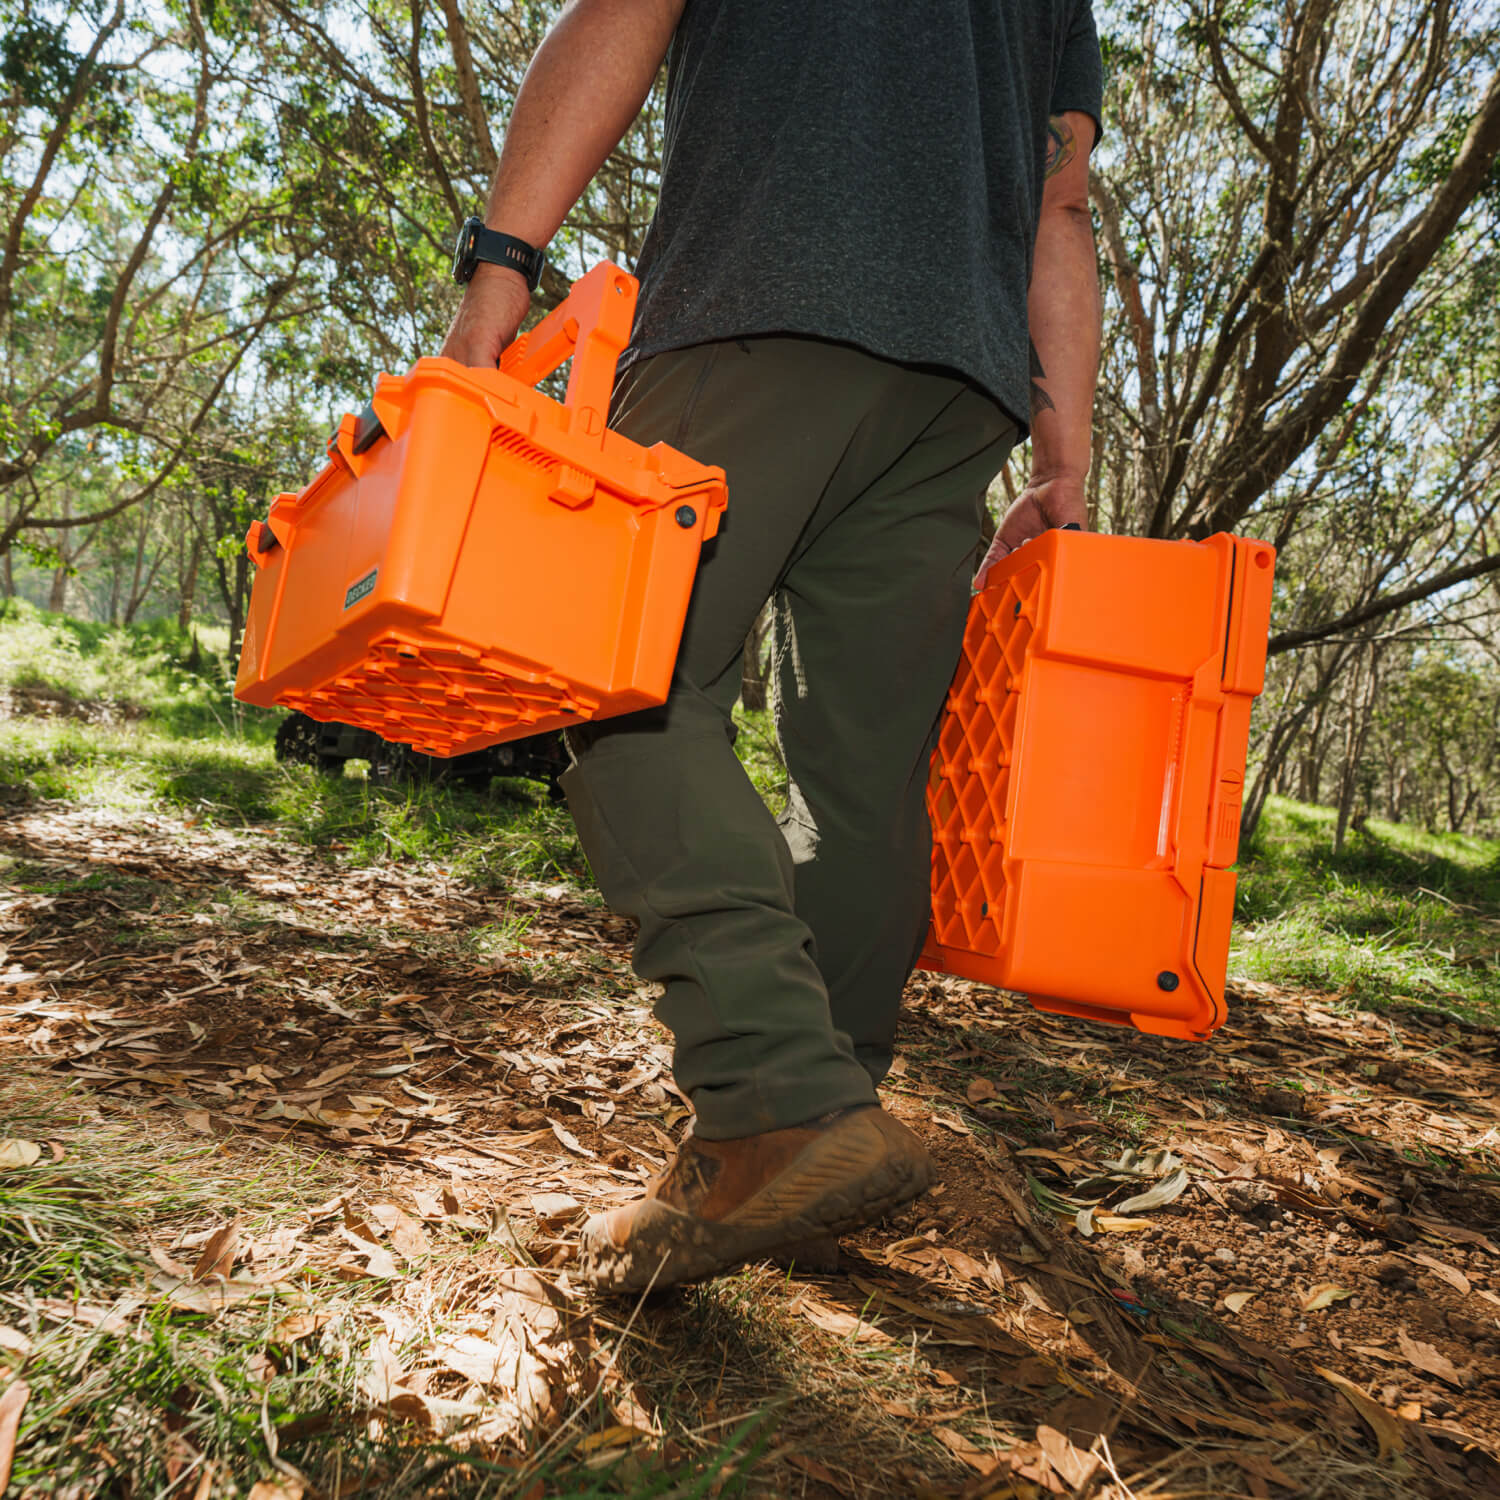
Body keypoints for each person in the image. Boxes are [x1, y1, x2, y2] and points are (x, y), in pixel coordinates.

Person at [441, 0, 1103, 1293]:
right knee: (867, 763)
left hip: (762, 296)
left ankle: (775, 1106)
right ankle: (830, 1118)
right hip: (956, 385)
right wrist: (1064, 450)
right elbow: (1061, 209)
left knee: (614, 684)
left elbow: (623, 13)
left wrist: (500, 266)